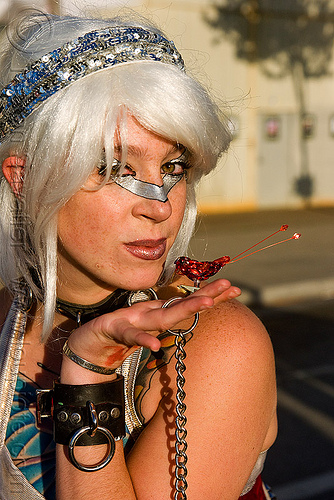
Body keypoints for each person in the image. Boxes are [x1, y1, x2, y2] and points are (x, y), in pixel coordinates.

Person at [0, 11, 277, 500]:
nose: (159, 203)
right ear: (24, 178)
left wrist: (88, 371)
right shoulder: (6, 318)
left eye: (174, 165)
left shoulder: (215, 344)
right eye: (113, 167)